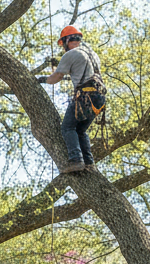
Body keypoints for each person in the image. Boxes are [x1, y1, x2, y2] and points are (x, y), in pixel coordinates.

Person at [37, 25, 106, 173]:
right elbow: (79, 72)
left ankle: (76, 161)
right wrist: (59, 64)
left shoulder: (70, 54)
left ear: (67, 40)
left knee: (67, 128)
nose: (63, 49)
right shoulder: (92, 54)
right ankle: (89, 163)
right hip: (98, 97)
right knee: (80, 130)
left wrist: (43, 79)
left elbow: (56, 78)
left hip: (84, 97)